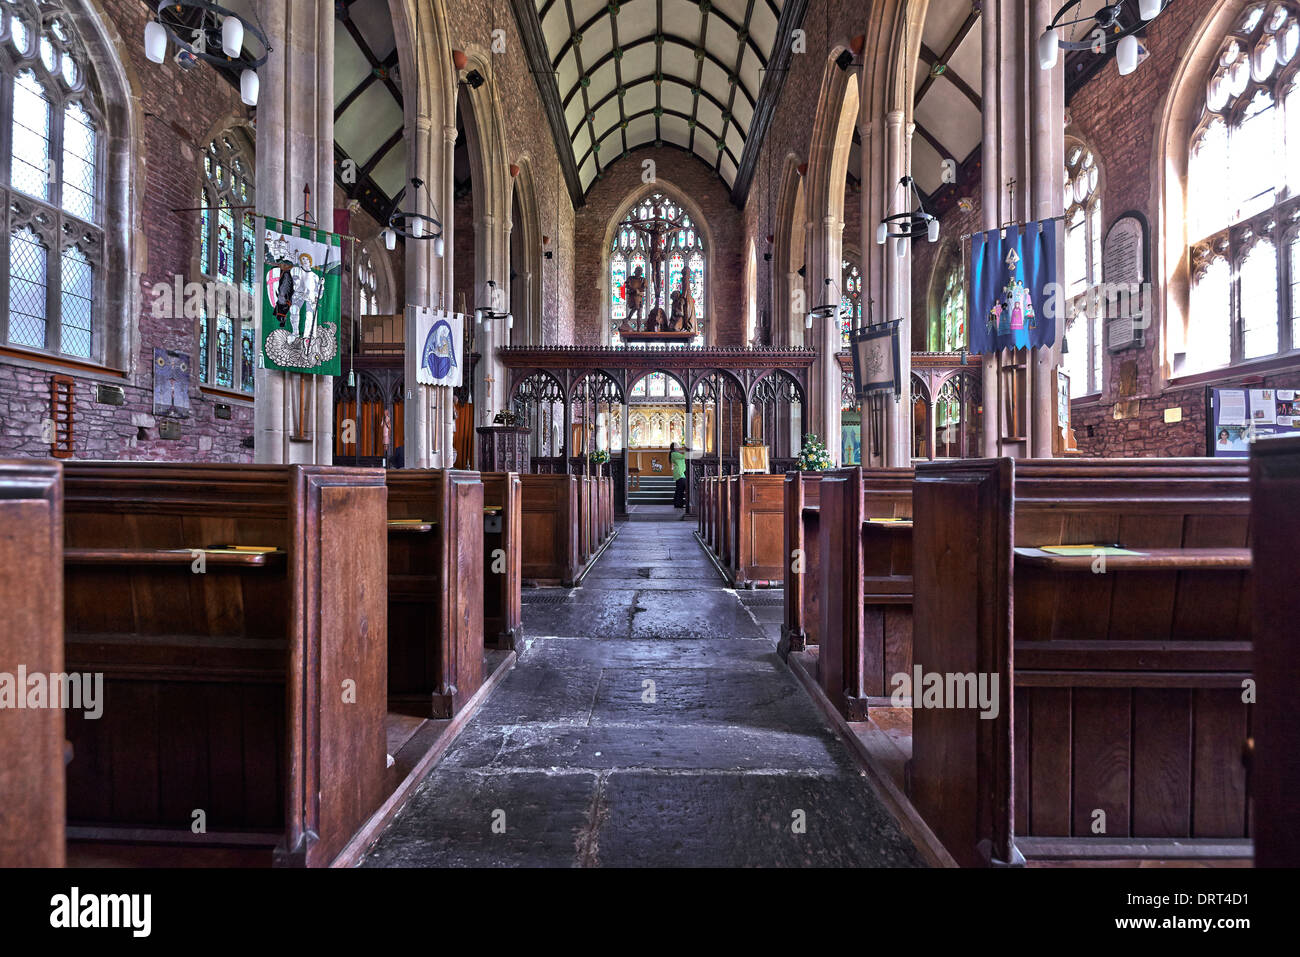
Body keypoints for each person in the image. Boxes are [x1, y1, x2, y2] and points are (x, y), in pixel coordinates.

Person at [670, 441, 688, 518]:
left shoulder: (675, 454)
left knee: (679, 489)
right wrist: (687, 450)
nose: (679, 447)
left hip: (681, 473)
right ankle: (678, 504)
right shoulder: (674, 454)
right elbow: (684, 457)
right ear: (674, 447)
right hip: (679, 473)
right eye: (677, 446)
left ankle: (678, 504)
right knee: (680, 489)